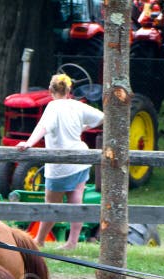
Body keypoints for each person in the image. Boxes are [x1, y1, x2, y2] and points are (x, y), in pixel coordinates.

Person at [16, 73, 104, 250]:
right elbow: (102, 117)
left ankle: (39, 241)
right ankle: (72, 242)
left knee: (51, 206)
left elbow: (43, 127)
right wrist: (85, 127)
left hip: (60, 164)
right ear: (69, 90)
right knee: (76, 199)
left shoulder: (53, 107)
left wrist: (29, 143)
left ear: (50, 90)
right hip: (80, 158)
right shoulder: (77, 106)